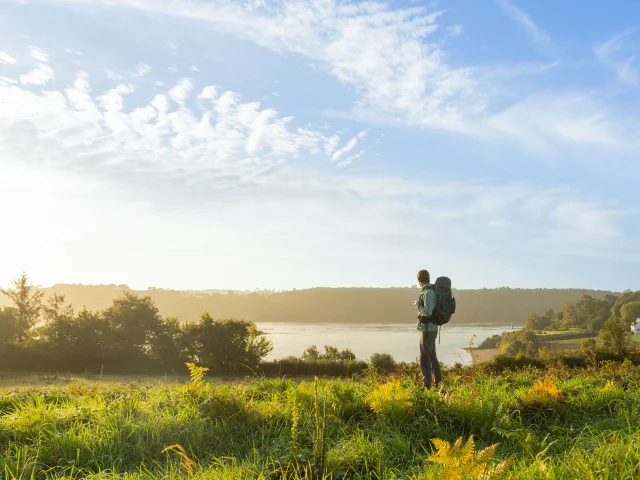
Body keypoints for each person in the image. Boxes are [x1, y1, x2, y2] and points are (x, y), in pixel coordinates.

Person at [415, 269, 442, 390]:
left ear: (419, 280)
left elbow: (427, 312)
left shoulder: (428, 293)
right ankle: (438, 383)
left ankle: (426, 386)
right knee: (431, 355)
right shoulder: (430, 291)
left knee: (424, 357)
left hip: (427, 330)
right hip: (430, 329)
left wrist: (418, 305)